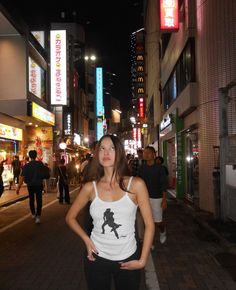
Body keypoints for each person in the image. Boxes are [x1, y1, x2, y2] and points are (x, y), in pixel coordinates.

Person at [66, 134, 155, 290]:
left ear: (119, 153)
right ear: (97, 154)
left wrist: (142, 260)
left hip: (128, 258)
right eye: (102, 148)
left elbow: (149, 224)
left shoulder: (136, 185)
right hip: (97, 259)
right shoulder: (90, 187)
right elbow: (70, 218)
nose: (106, 153)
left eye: (111, 148)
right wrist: (86, 240)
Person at [139, 146, 168, 246]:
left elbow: (164, 185)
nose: (146, 154)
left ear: (153, 155)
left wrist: (164, 200)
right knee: (146, 221)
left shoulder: (160, 168)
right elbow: (139, 183)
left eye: (148, 153)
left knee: (157, 222)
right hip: (144, 198)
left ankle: (163, 231)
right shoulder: (142, 168)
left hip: (157, 198)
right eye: (144, 153)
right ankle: (149, 242)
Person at [16, 150, 46, 224]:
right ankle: (38, 217)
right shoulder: (40, 164)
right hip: (39, 184)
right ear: (36, 156)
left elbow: (22, 177)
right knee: (39, 200)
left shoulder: (26, 166)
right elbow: (44, 174)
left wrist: (18, 187)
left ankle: (33, 214)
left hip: (30, 185)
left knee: (31, 199)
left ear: (29, 156)